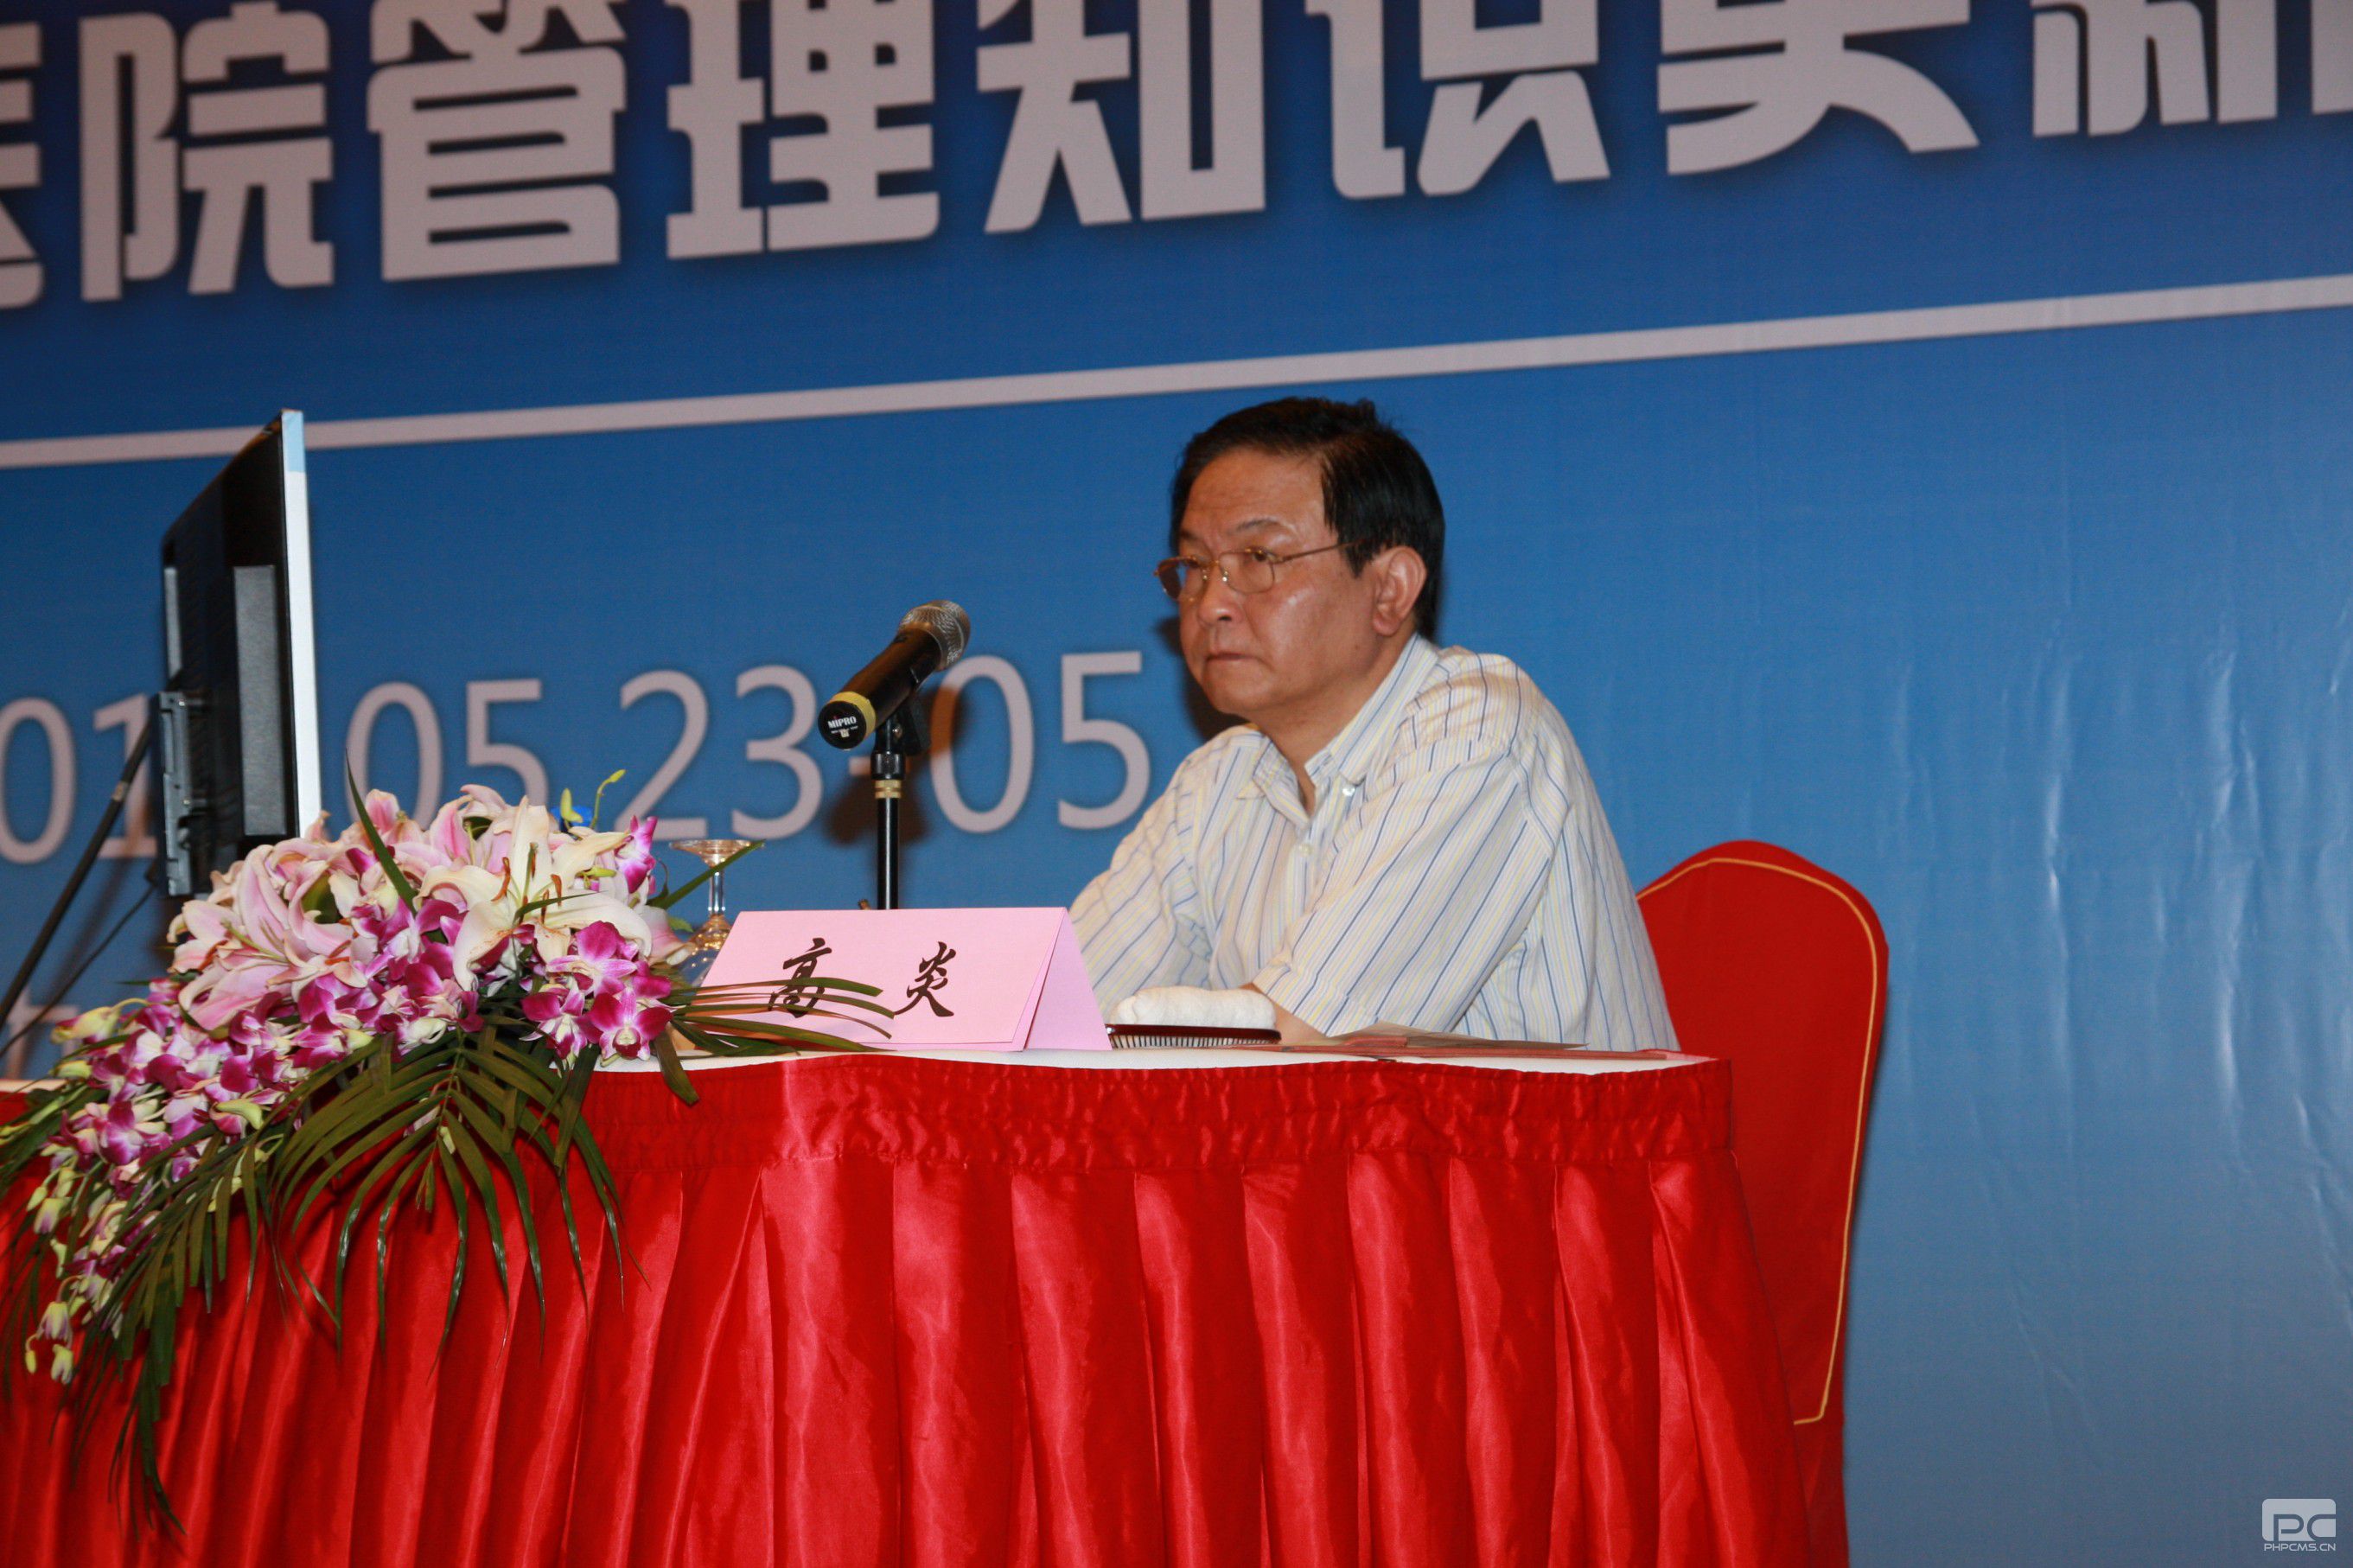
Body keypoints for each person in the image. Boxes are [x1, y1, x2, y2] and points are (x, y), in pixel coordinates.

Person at [1070, 397, 1677, 1049]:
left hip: (1539, 1126)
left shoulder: (1479, 734)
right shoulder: (1215, 785)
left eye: (1259, 559)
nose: (1212, 602)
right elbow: (1051, 1022)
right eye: (1196, 567)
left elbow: (1308, 1040)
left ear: (1389, 589)